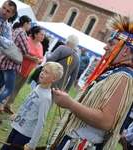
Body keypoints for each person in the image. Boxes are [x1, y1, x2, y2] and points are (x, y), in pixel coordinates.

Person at [50, 14, 133, 150]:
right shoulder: (116, 73)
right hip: (76, 140)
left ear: (125, 51)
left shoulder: (123, 77)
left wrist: (70, 104)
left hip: (83, 144)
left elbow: (106, 121)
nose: (105, 47)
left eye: (111, 44)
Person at [0, 61, 64, 150]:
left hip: (24, 134)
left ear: (53, 79)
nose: (42, 73)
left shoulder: (46, 98)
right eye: (43, 70)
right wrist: (18, 115)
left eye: (46, 72)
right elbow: (28, 105)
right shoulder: (38, 87)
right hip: (17, 127)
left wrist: (32, 144)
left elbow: (41, 123)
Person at [0, 15, 31, 118]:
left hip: (3, 59)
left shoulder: (13, 30)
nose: (30, 26)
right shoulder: (22, 33)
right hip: (11, 63)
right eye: (29, 24)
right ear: (26, 23)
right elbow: (27, 50)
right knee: (9, 89)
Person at [3, 26, 45, 114]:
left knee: (18, 88)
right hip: (19, 67)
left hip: (28, 71)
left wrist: (39, 61)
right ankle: (1, 101)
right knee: (10, 85)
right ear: (35, 34)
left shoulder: (40, 45)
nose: (43, 37)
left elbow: (41, 58)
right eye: (41, 35)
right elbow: (20, 52)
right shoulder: (27, 40)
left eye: (43, 35)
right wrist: (31, 58)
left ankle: (8, 104)